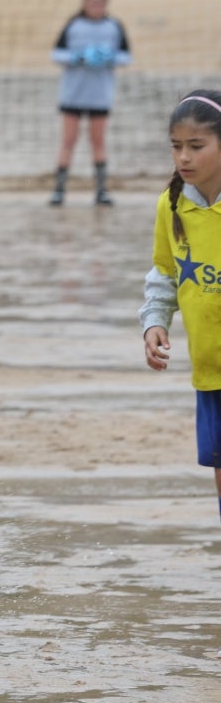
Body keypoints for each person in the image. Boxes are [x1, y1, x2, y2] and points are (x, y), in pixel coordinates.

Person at [140, 90, 221, 522]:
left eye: (196, 146)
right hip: (210, 370)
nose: (184, 157)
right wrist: (155, 321)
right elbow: (165, 273)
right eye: (176, 146)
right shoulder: (171, 204)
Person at [49, 0, 132, 207]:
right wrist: (77, 57)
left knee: (98, 141)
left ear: (106, 3)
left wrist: (109, 57)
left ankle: (101, 191)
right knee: (68, 140)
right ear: (85, 2)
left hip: (99, 95)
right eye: (92, 2)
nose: (96, 6)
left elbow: (126, 57)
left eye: (100, 2)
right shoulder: (73, 25)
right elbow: (56, 54)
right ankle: (59, 191)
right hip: (73, 94)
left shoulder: (114, 26)